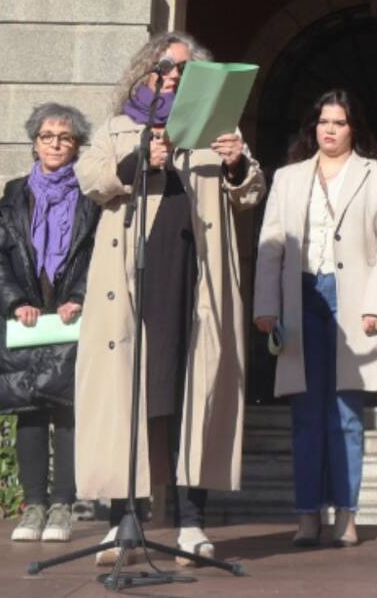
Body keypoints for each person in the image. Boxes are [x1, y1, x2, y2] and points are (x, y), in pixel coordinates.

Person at [74, 32, 266, 565]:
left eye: (184, 71)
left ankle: (190, 524)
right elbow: (89, 178)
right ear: (145, 73)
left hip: (195, 282)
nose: (174, 77)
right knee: (126, 399)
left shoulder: (217, 131)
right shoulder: (119, 128)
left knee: (194, 396)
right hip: (131, 283)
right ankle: (124, 524)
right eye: (165, 69)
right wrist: (140, 159)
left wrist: (234, 164)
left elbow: (251, 192)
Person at [254, 89, 377, 548]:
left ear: (353, 128)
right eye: (323, 122)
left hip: (354, 300)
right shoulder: (287, 177)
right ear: (312, 127)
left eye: (339, 123)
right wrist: (266, 304)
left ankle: (345, 514)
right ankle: (307, 515)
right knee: (305, 414)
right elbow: (270, 245)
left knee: (345, 414)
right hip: (301, 297)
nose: (329, 129)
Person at [0, 103, 99, 543]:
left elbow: (99, 254)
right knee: (28, 412)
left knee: (67, 413)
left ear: (76, 146)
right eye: (46, 136)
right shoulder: (14, 194)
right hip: (25, 320)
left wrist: (79, 298)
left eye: (64, 137)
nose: (54, 144)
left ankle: (63, 508)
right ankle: (33, 507)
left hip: (70, 318)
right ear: (34, 142)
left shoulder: (92, 196)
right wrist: (13, 303)